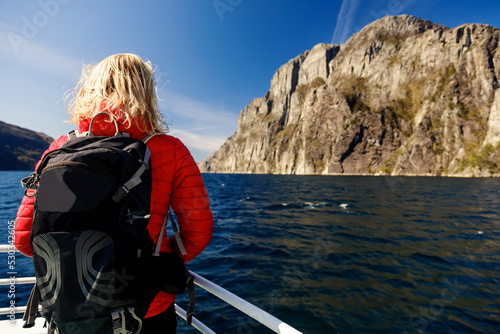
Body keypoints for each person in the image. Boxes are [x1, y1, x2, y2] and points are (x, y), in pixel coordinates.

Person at [14, 53, 214, 333]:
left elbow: (24, 241)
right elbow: (197, 235)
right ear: (146, 91)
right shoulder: (170, 149)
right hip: (146, 309)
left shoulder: (60, 147)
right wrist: (160, 255)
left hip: (70, 311)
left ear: (89, 87)